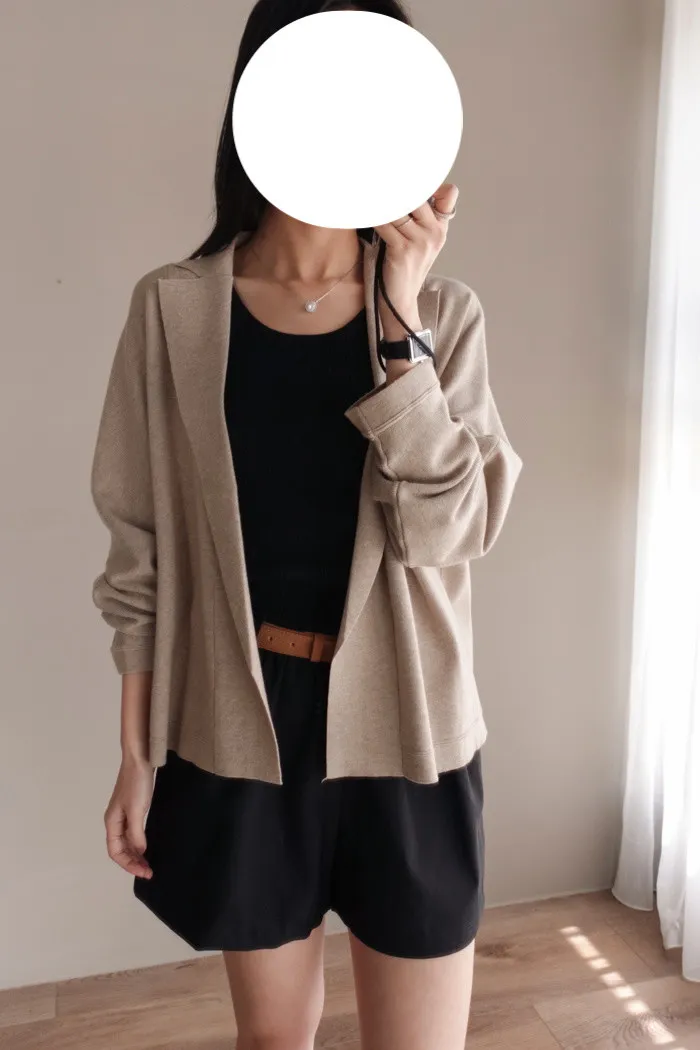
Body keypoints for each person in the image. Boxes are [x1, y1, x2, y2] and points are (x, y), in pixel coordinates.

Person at [90, 1, 523, 1046]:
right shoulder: (174, 310)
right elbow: (139, 556)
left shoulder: (443, 315)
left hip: (408, 725)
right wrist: (138, 754)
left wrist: (400, 328)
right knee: (273, 1041)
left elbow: (452, 532)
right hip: (240, 725)